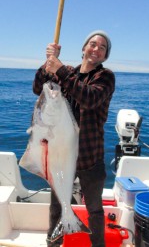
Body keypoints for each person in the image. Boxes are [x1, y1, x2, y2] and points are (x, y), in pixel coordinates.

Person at [33, 30, 115, 247]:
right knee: (57, 207)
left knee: (95, 210)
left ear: (105, 56)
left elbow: (89, 98)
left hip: (90, 158)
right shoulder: (67, 72)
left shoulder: (105, 77)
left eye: (102, 47)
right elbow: (38, 87)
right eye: (92, 44)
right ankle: (53, 243)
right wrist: (48, 62)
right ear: (83, 48)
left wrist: (59, 68)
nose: (96, 49)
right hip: (61, 155)